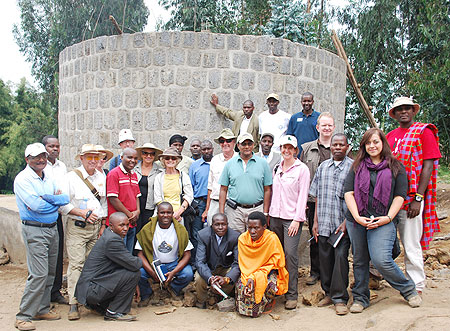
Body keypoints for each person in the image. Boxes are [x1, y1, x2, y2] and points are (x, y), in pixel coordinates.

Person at [344, 128, 422, 313]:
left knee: (381, 259)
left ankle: (408, 289)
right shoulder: (357, 166)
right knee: (360, 260)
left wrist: (387, 218)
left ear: (383, 143)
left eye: (375, 142)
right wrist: (357, 217)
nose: (372, 146)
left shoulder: (396, 166)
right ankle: (361, 298)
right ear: (364, 146)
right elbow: (349, 192)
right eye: (368, 143)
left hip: (384, 220)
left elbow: (399, 196)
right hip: (358, 219)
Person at [386, 97, 441, 293]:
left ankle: (416, 284)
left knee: (410, 243)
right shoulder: (390, 135)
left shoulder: (423, 132)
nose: (403, 112)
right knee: (385, 242)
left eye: (407, 108)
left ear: (413, 111)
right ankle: (378, 277)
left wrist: (419, 197)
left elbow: (428, 166)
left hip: (411, 199)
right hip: (392, 200)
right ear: (394, 114)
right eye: (399, 109)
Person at [14, 143, 69, 331]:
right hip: (34, 229)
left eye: (43, 156)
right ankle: (23, 315)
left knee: (51, 272)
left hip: (52, 228)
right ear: (27, 159)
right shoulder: (23, 179)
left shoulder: (48, 176)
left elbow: (65, 198)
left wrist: (47, 199)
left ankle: (42, 309)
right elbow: (36, 206)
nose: (41, 160)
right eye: (36, 157)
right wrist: (52, 200)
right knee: (38, 273)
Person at [59, 144, 108, 320]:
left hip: (95, 229)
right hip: (78, 228)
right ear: (81, 158)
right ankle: (73, 303)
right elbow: (63, 204)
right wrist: (82, 214)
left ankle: (88, 300)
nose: (93, 161)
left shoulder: (101, 176)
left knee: (92, 265)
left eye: (96, 157)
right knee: (77, 264)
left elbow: (103, 203)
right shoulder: (71, 178)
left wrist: (102, 225)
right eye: (89, 157)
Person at [309, 133, 352, 315]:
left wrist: (346, 221)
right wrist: (315, 222)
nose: (337, 148)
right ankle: (328, 293)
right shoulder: (323, 167)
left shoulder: (353, 168)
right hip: (324, 222)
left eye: (341, 145)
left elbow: (356, 197)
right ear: (331, 147)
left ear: (347, 147)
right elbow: (317, 195)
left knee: (340, 259)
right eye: (335, 145)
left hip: (342, 224)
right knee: (325, 259)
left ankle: (340, 298)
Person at [75, 212, 142, 322]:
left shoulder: (109, 234)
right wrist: (141, 259)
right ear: (111, 225)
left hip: (91, 288)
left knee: (127, 271)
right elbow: (134, 264)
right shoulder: (112, 240)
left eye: (127, 225)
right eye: (121, 225)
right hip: (92, 290)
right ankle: (114, 311)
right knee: (134, 273)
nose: (125, 228)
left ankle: (100, 306)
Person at [269, 135, 310, 309]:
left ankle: (291, 294)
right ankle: (277, 289)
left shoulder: (302, 169)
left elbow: (303, 196)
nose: (286, 151)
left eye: (290, 148)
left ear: (295, 150)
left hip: (291, 219)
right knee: (275, 255)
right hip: (275, 217)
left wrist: (297, 219)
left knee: (290, 255)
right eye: (283, 147)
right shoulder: (277, 167)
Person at [300, 112, 335, 286]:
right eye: (324, 125)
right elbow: (301, 173)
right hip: (313, 200)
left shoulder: (341, 147)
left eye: (330, 125)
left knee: (333, 236)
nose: (327, 128)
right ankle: (315, 272)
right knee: (315, 235)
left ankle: (330, 271)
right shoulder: (307, 148)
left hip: (334, 200)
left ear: (334, 128)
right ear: (318, 127)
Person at [135, 202, 194, 306]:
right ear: (157, 213)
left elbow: (187, 254)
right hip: (154, 264)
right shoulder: (147, 229)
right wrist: (153, 273)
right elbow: (140, 254)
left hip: (173, 264)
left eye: (168, 213)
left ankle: (173, 289)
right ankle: (146, 294)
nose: (165, 215)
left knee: (188, 274)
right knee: (139, 273)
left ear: (173, 214)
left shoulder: (180, 230)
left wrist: (174, 272)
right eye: (162, 212)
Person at [236, 211, 289, 317]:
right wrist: (251, 277)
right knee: (242, 286)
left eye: (256, 228)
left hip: (267, 271)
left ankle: (268, 303)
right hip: (248, 272)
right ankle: (247, 310)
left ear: (264, 227)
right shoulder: (242, 239)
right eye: (249, 228)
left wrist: (258, 275)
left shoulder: (271, 238)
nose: (252, 231)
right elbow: (244, 263)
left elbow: (277, 261)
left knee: (270, 285)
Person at [219, 133, 272, 233]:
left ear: (253, 145)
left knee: (255, 241)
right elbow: (223, 189)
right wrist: (222, 213)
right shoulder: (230, 164)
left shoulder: (263, 163)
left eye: (249, 143)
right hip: (235, 211)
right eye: (243, 144)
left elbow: (267, 189)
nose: (247, 146)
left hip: (256, 209)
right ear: (238, 146)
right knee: (235, 240)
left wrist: (265, 212)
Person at [42, 135, 68, 305]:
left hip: (57, 215)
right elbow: (41, 196)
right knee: (42, 257)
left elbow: (64, 194)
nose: (55, 149)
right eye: (51, 146)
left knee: (57, 254)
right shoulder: (39, 167)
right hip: (41, 217)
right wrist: (54, 198)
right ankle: (42, 295)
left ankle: (55, 291)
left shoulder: (62, 166)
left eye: (57, 146)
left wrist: (55, 198)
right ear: (44, 148)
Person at [194, 213, 240, 309]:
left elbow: (237, 263)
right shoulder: (203, 235)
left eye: (223, 224)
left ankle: (219, 296)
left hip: (225, 268)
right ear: (212, 225)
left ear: (227, 224)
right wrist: (210, 278)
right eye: (217, 224)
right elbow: (200, 262)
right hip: (209, 267)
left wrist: (226, 279)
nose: (220, 227)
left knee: (234, 275)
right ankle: (201, 300)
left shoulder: (234, 237)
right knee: (198, 278)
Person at [106, 148, 141, 253]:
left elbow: (137, 196)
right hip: (119, 224)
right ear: (121, 157)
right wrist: (129, 215)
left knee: (128, 253)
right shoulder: (114, 174)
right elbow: (113, 198)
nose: (132, 160)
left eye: (135, 158)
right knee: (119, 256)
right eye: (129, 157)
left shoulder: (134, 175)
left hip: (131, 222)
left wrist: (137, 211)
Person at [202, 129, 237, 225]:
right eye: (222, 141)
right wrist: (207, 209)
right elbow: (210, 186)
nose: (225, 143)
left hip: (233, 204)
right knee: (212, 230)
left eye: (228, 140)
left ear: (234, 142)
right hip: (215, 203)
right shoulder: (215, 160)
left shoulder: (239, 159)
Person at [154, 147, 194, 228]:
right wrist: (167, 215)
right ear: (163, 161)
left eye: (173, 158)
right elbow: (158, 198)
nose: (170, 160)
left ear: (177, 161)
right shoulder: (159, 177)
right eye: (167, 158)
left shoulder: (183, 176)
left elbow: (189, 196)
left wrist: (178, 213)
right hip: (162, 216)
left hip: (179, 216)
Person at [189, 140, 214, 260]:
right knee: (196, 233)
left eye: (208, 148)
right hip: (199, 204)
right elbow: (191, 186)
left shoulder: (218, 163)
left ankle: (211, 261)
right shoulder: (195, 165)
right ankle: (196, 262)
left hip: (215, 203)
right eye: (203, 149)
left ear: (212, 149)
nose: (206, 151)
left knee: (214, 232)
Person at [134, 143, 163, 234]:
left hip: (150, 206)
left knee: (147, 232)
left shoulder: (159, 171)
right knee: (135, 231)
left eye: (152, 154)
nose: (148, 156)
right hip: (135, 206)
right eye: (145, 153)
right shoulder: (134, 169)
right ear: (141, 154)